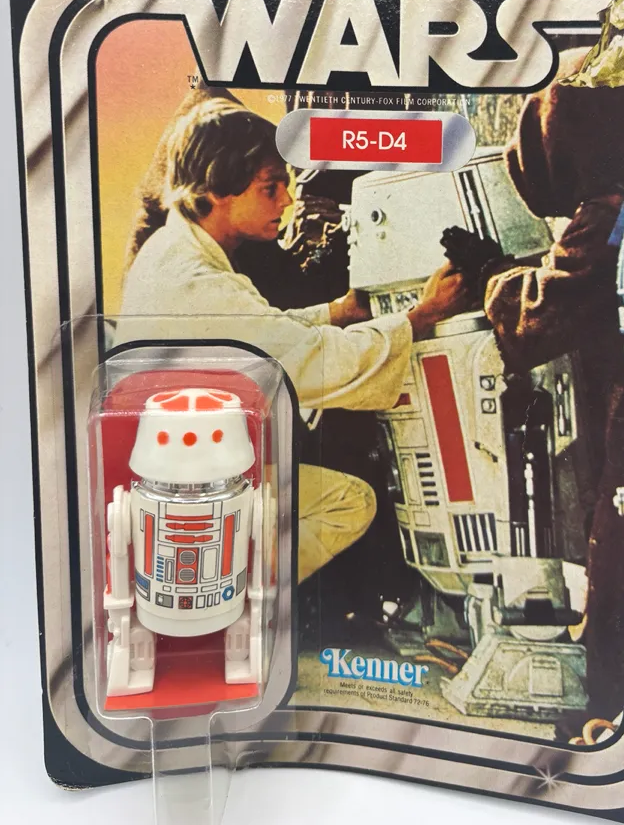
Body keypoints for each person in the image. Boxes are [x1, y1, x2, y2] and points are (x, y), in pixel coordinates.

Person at [116, 97, 470, 582]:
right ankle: (236, 590)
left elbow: (259, 330)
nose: (286, 201)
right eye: (271, 187)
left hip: (175, 463)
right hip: (187, 482)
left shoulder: (175, 250)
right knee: (349, 502)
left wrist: (337, 312)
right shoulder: (197, 282)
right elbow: (307, 363)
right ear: (217, 190)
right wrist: (420, 317)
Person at [482, 48, 624, 721]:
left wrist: (493, 278)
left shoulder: (608, 208)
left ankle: (611, 711)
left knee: (617, 556)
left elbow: (534, 322)